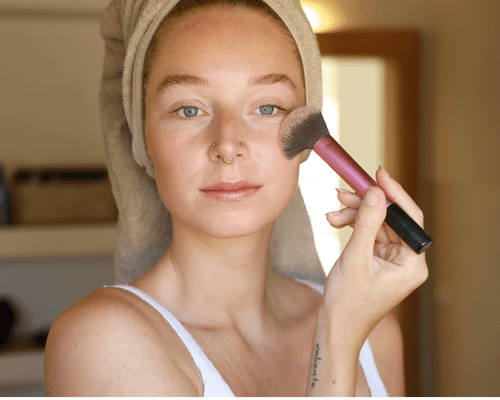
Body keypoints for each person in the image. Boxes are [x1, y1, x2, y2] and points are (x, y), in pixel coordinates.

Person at [44, 0, 428, 396]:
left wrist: (348, 326)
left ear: (306, 139)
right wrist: (338, 335)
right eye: (189, 109)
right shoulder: (99, 342)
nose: (227, 145)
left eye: (266, 107)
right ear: (143, 139)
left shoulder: (377, 336)